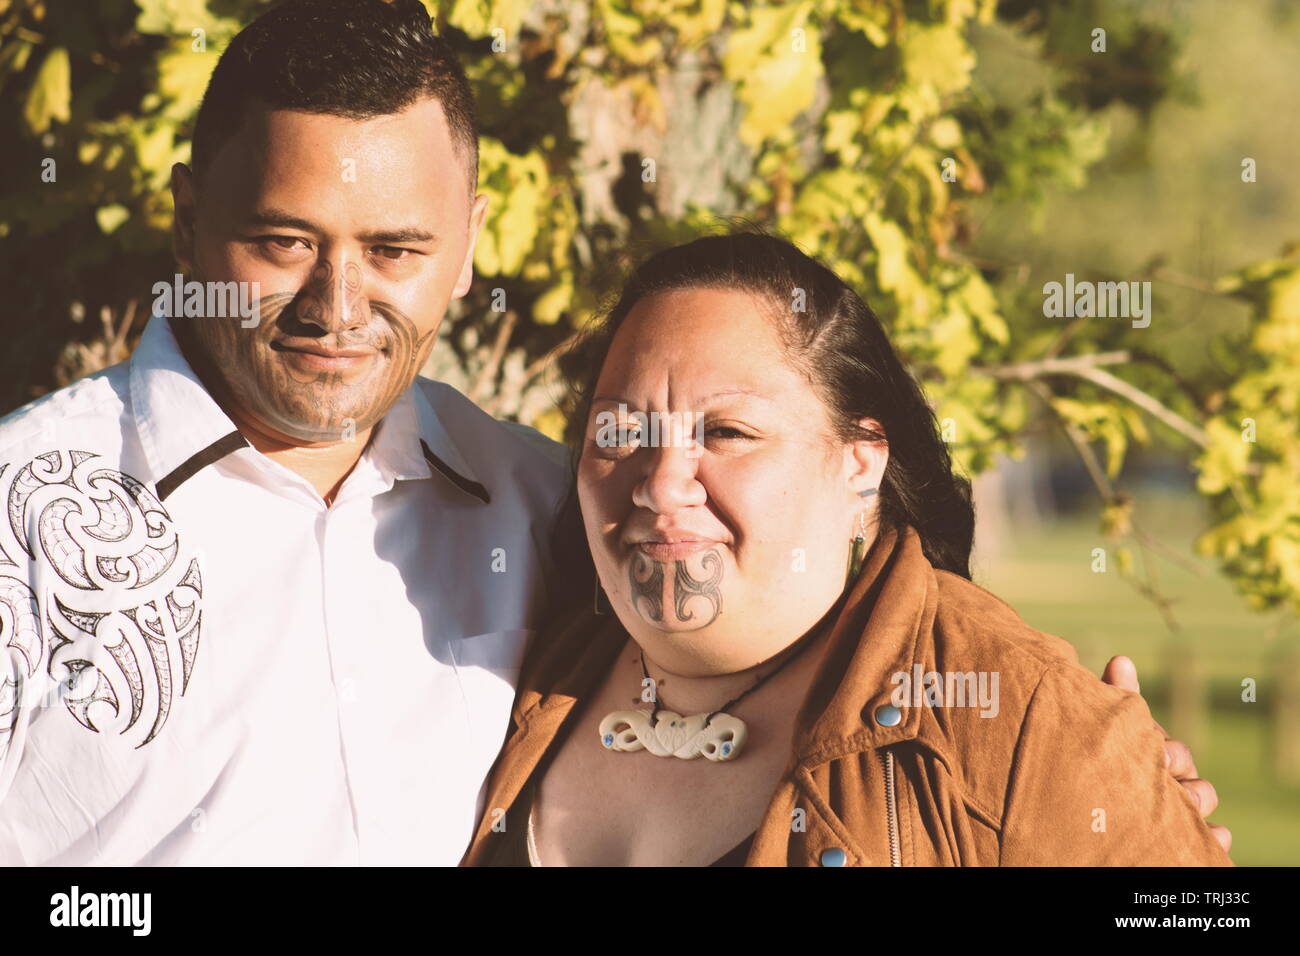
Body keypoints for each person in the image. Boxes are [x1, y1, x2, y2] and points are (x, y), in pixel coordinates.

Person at [0, 0, 568, 865]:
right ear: (187, 221)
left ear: (469, 245)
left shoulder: (544, 505)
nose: (337, 308)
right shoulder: (20, 517)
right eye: (284, 243)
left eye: (396, 253)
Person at [461, 232, 1234, 866]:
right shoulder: (507, 676)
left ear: (860, 463)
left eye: (726, 433)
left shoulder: (1020, 719)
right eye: (621, 431)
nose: (663, 484)